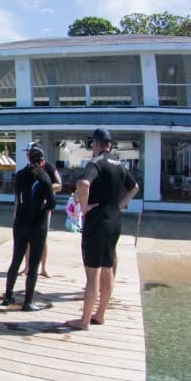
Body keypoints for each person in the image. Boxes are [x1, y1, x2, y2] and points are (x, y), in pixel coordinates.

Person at [66, 128, 139, 330]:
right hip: (115, 222)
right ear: (111, 145)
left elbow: (82, 183)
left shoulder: (97, 162)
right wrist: (121, 205)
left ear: (96, 144)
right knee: (108, 271)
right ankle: (100, 315)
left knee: (92, 274)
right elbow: (134, 188)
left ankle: (84, 321)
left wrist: (84, 206)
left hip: (97, 222)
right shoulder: (120, 165)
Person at [2, 147, 55, 311]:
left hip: (20, 223)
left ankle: (8, 296)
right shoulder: (43, 177)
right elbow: (52, 203)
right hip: (36, 225)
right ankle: (28, 302)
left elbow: (18, 197)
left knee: (16, 260)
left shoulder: (19, 175)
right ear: (42, 161)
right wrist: (43, 208)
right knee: (33, 265)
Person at [19, 142, 62, 277]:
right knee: (27, 237)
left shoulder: (49, 167)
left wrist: (44, 187)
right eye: (26, 152)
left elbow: (59, 185)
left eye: (29, 151)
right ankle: (26, 267)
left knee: (43, 238)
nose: (27, 154)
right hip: (29, 208)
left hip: (44, 208)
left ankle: (43, 268)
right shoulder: (26, 169)